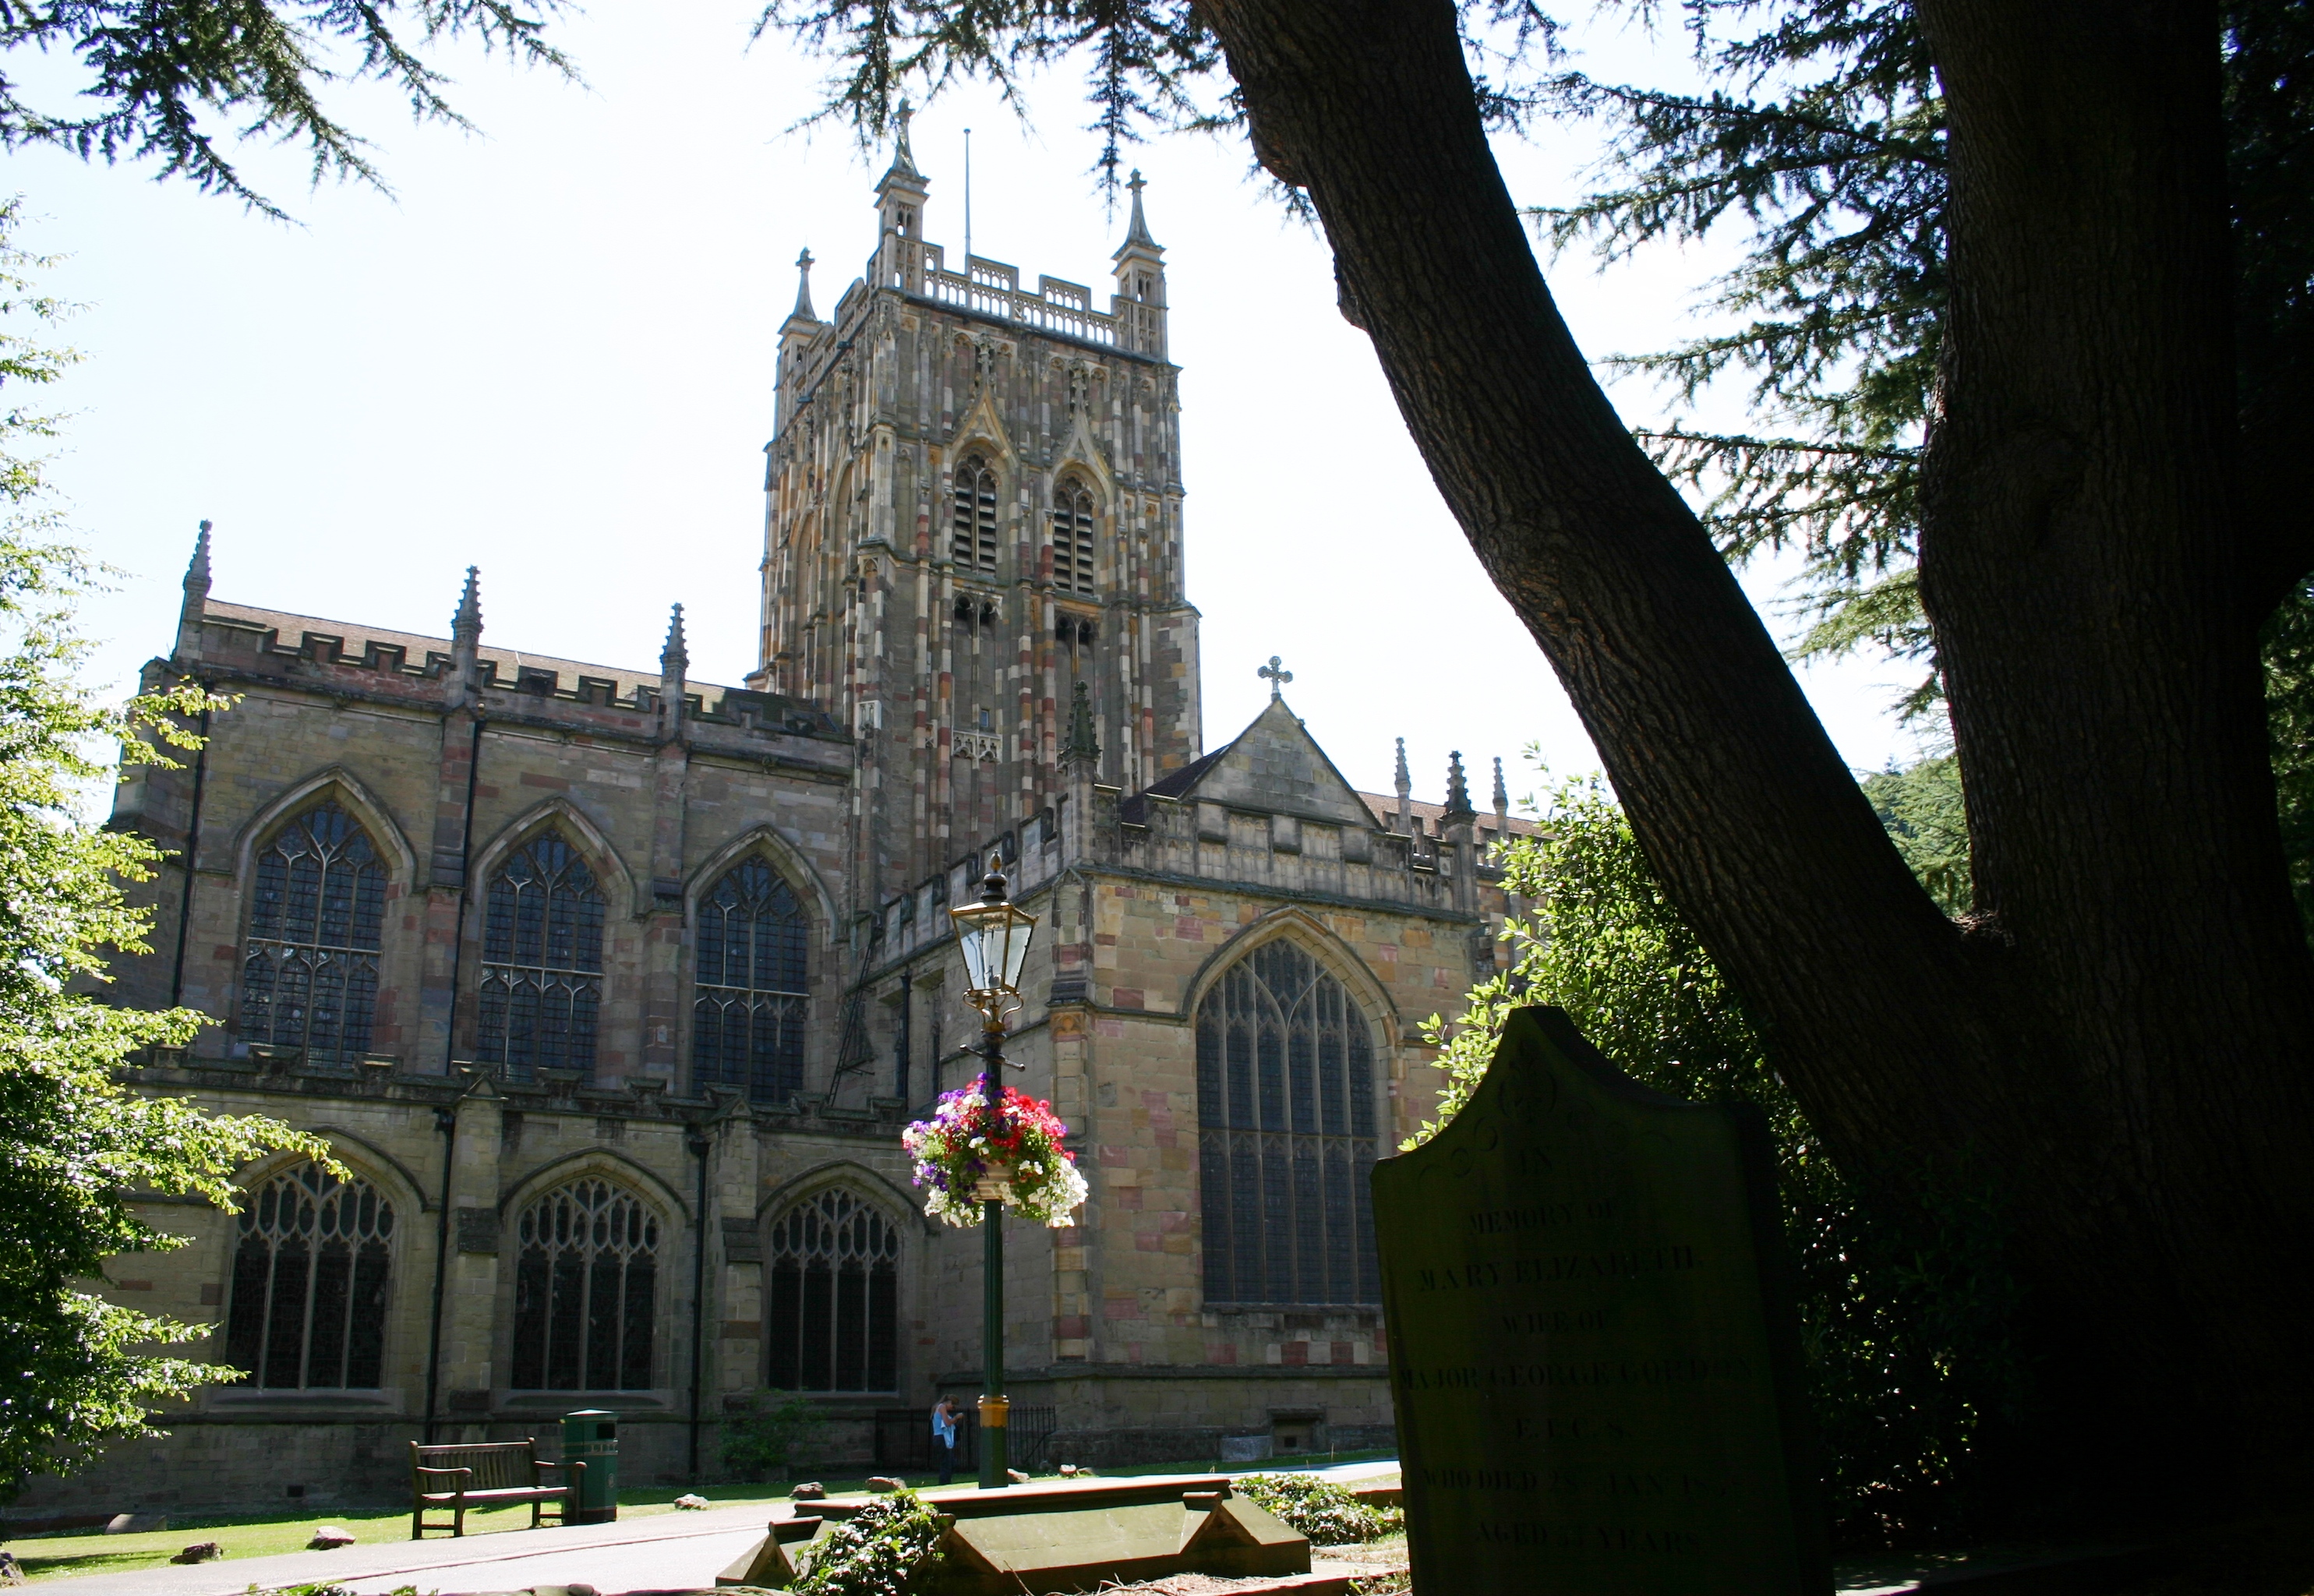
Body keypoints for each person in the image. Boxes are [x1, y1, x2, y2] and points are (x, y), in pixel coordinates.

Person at [931, 1395, 959, 1485]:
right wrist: (957, 1418)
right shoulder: (942, 1407)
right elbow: (947, 1423)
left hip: (938, 1438)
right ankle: (944, 1482)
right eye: (953, 1406)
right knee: (946, 1462)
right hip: (941, 1438)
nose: (952, 1408)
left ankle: (945, 1481)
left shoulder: (938, 1408)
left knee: (947, 1461)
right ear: (949, 1402)